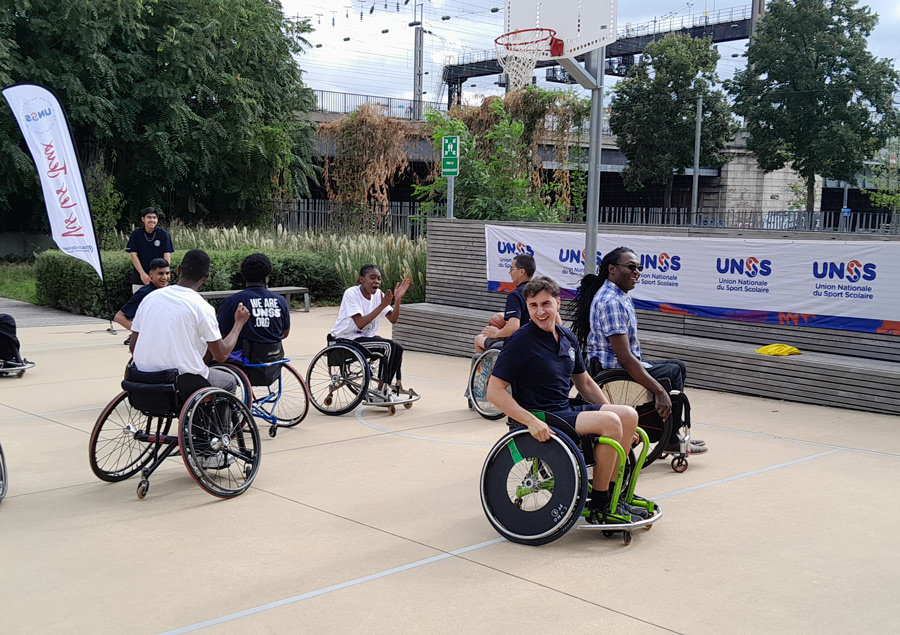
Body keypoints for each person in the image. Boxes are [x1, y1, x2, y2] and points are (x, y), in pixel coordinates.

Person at [486, 277, 647, 522]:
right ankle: (601, 504)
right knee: (612, 422)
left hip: (563, 408)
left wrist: (621, 420)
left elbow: (584, 383)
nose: (540, 311)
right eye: (533, 306)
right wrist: (530, 421)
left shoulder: (566, 338)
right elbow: (494, 391)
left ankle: (617, 496)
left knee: (628, 415)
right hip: (541, 414)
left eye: (545, 304)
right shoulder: (520, 341)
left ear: (558, 303)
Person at [571, 246, 707, 455]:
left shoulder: (619, 295)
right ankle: (669, 438)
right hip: (613, 370)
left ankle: (671, 434)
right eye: (631, 267)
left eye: (639, 267)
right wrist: (659, 391)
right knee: (672, 373)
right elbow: (624, 358)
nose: (637, 272)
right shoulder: (611, 302)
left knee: (677, 366)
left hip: (616, 365)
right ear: (612, 269)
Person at [130, 249, 249, 398]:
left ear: (179, 269)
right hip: (181, 382)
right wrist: (239, 323)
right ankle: (219, 422)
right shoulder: (202, 306)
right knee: (230, 381)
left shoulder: (150, 298)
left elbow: (133, 346)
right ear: (206, 277)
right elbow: (221, 355)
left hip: (143, 378)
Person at [330, 264, 411, 402]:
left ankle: (384, 389)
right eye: (372, 278)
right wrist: (382, 306)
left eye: (379, 279)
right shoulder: (351, 293)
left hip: (366, 338)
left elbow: (393, 319)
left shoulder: (379, 295)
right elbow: (360, 323)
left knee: (398, 347)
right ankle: (381, 392)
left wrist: (397, 300)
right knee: (388, 346)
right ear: (361, 279)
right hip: (347, 338)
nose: (377, 281)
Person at [475, 254, 562, 353]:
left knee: (479, 339)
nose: (509, 272)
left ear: (521, 272)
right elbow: (558, 323)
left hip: (522, 344)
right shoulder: (540, 291)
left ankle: (487, 368)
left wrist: (496, 333)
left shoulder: (516, 295)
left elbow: (513, 327)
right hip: (545, 343)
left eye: (512, 269)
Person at [217, 253, 290, 363]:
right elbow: (284, 333)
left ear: (243, 275)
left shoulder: (232, 302)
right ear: (267, 277)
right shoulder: (281, 301)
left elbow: (220, 335)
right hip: (273, 362)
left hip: (242, 362)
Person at [114, 258, 170, 345]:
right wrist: (138, 332)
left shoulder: (172, 291)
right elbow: (119, 317)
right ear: (151, 274)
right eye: (160, 273)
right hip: (150, 343)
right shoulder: (144, 293)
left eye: (167, 273)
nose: (165, 277)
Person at [126, 207, 174, 294]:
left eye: (154, 218)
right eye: (149, 217)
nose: (152, 220)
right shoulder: (136, 234)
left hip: (159, 280)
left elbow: (167, 256)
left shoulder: (164, 235)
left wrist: (162, 275)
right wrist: (142, 274)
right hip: (140, 278)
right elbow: (133, 255)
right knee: (139, 305)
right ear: (143, 219)